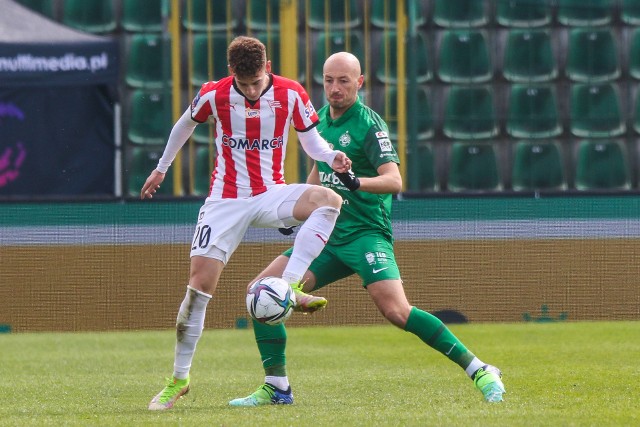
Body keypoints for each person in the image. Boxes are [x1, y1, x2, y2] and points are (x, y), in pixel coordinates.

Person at [229, 52, 506, 407]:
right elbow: (320, 173)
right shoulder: (320, 121)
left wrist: (356, 182)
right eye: (329, 80)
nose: (335, 88)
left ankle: (481, 369)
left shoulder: (369, 125)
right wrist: (299, 213)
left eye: (344, 81)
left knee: (397, 312)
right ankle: (277, 386)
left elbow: (394, 180)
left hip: (365, 235)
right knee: (260, 291)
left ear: (360, 83)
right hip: (327, 237)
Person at [143, 36, 352, 411]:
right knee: (197, 288)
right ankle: (179, 379)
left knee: (330, 200)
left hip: (272, 192)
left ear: (266, 67)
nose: (252, 90)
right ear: (231, 75)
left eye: (257, 82)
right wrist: (161, 169)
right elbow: (183, 126)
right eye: (245, 85)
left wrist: (332, 156)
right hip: (225, 200)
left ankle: (290, 285)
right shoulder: (214, 95)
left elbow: (312, 143)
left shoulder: (290, 93)